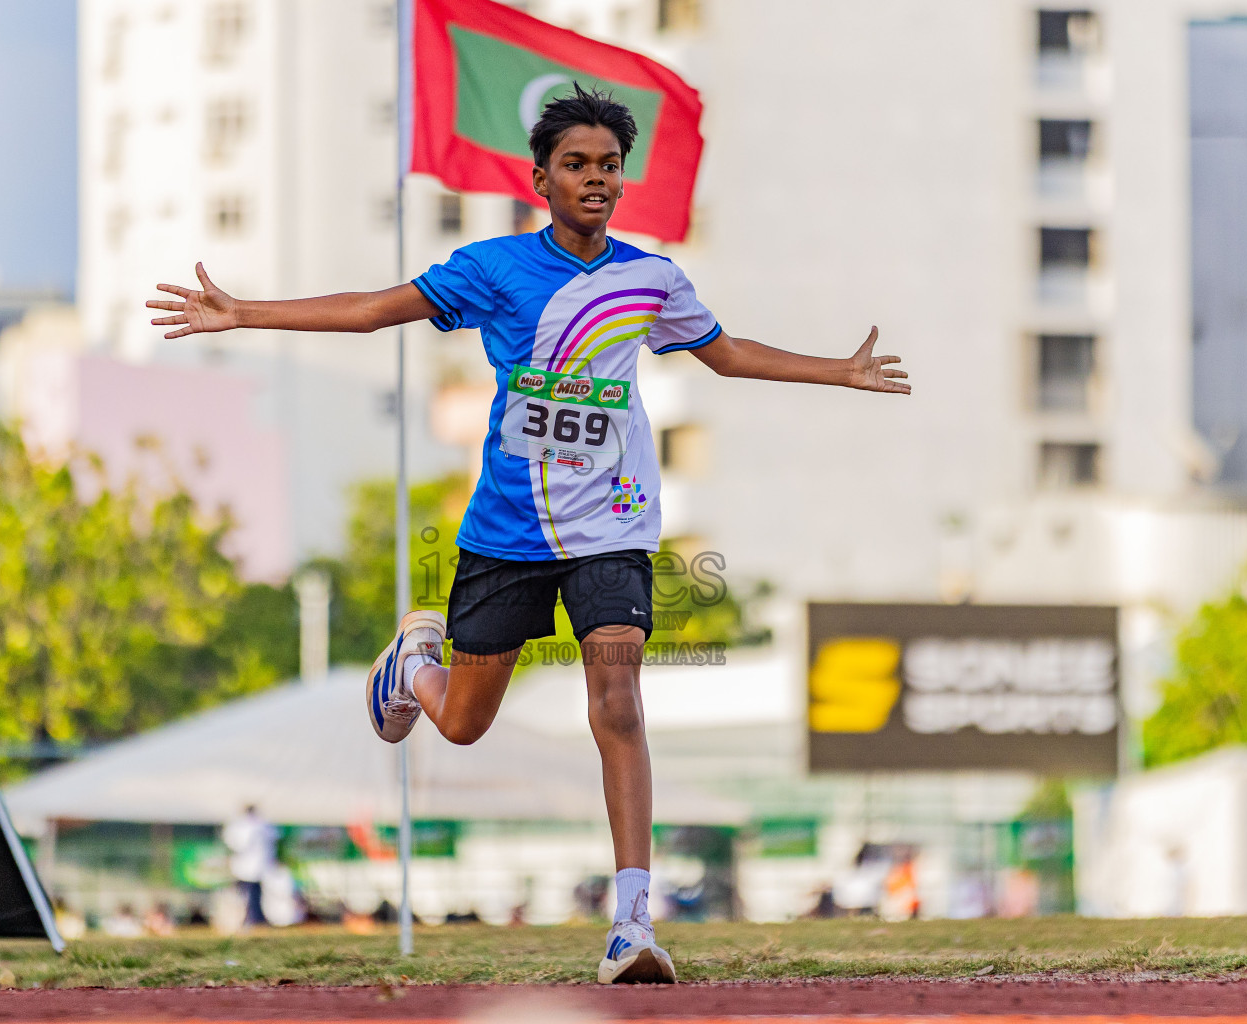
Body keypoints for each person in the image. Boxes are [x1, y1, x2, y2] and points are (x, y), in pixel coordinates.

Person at [149, 84, 910, 983]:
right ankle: (411, 667)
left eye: (610, 167)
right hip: (508, 530)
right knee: (465, 724)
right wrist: (247, 312)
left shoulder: (653, 278)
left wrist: (840, 371)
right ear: (540, 178)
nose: (596, 180)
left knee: (619, 700)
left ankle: (634, 929)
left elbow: (727, 353)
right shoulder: (493, 269)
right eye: (578, 165)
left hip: (614, 526)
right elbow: (371, 309)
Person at [222, 803, 276, 929]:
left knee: (248, 894)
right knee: (253, 894)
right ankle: (253, 918)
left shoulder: (241, 825)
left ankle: (252, 919)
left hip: (246, 867)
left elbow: (235, 844)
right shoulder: (263, 824)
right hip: (255, 867)